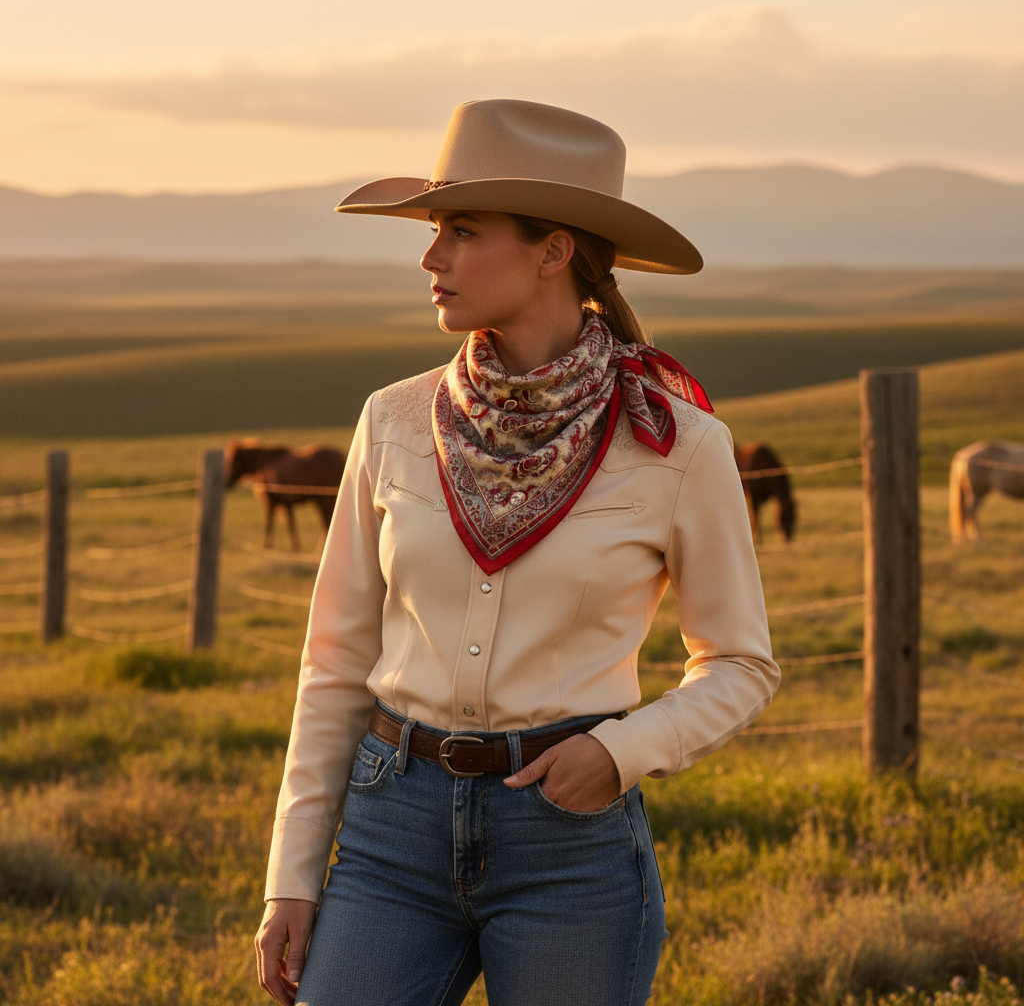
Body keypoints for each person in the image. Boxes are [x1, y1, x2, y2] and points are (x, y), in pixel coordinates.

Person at [255, 99, 779, 1006]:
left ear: (553, 250)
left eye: (462, 230)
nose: (431, 257)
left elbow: (739, 663)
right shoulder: (392, 421)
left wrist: (623, 752)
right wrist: (292, 875)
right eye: (433, 231)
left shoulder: (676, 444)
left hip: (567, 838)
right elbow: (335, 660)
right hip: (392, 826)